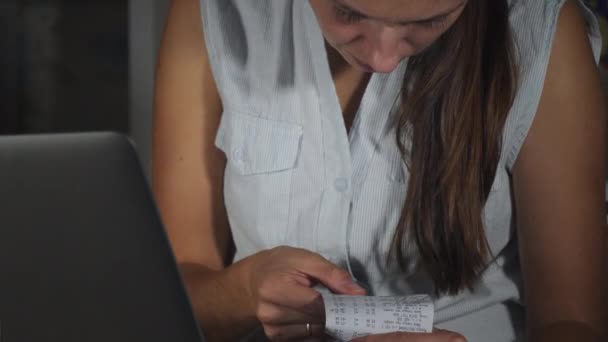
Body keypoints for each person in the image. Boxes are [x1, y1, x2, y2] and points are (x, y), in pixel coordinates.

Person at [151, 0, 608, 340]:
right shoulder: (217, 12)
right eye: (348, 13)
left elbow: (574, 321)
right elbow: (169, 291)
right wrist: (243, 291)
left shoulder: (539, 32)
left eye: (430, 21)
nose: (384, 58)